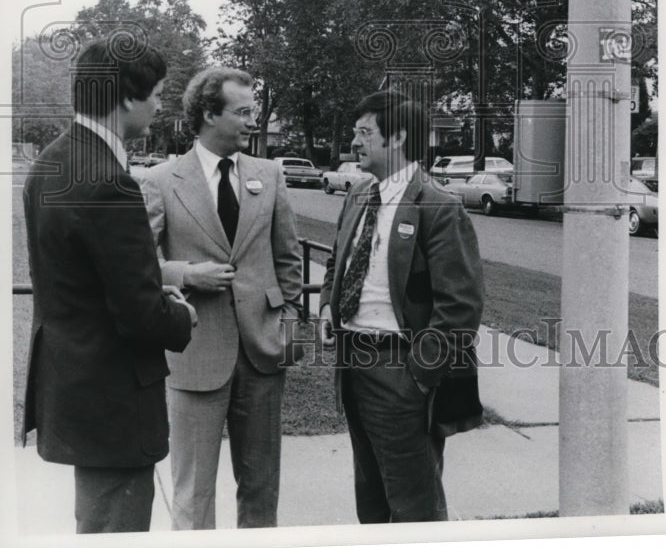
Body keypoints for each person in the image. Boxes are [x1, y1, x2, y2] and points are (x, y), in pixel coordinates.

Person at [22, 38, 197, 535]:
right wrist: (180, 313)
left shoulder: (51, 164)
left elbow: (77, 280)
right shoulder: (109, 181)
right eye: (158, 94)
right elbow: (141, 316)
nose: (160, 106)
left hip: (75, 389)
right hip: (114, 399)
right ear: (126, 98)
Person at [141, 67, 303, 530]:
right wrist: (186, 273)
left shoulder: (270, 174)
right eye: (244, 111)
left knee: (261, 487)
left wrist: (288, 324)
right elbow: (137, 267)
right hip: (193, 355)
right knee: (193, 493)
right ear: (209, 114)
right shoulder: (160, 180)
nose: (255, 120)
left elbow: (288, 258)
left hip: (263, 353)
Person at [319, 90, 484, 524]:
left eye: (364, 132)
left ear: (398, 138)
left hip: (400, 370)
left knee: (414, 504)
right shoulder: (358, 194)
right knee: (370, 496)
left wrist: (419, 378)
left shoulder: (438, 207)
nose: (354, 142)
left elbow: (460, 307)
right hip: (352, 361)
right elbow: (339, 258)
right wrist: (325, 308)